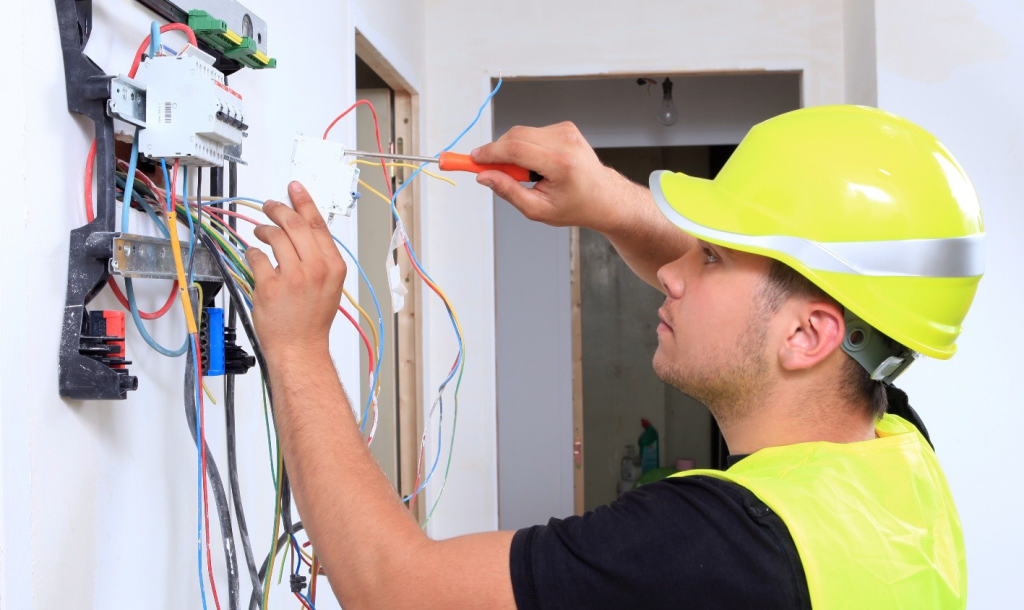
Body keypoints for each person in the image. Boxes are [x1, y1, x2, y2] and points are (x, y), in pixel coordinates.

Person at [245, 105, 982, 609]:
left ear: (809, 337)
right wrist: (604, 199)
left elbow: (394, 589)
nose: (673, 271)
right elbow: (771, 297)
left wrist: (300, 343)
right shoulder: (892, 455)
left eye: (715, 257)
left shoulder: (720, 545)